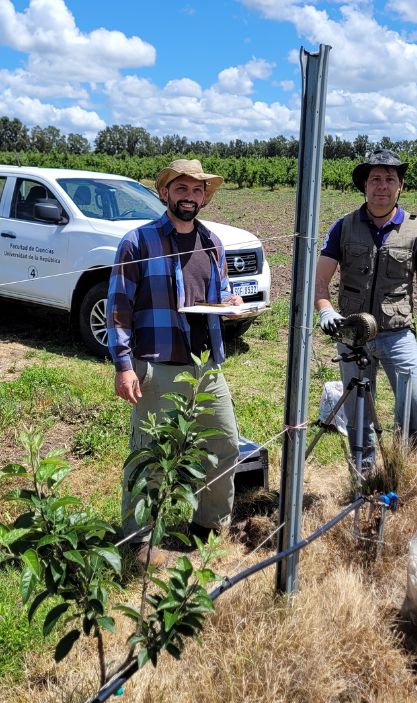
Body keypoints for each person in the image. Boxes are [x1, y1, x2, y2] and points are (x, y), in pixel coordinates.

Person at [107, 159, 244, 566]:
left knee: (224, 445)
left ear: (205, 197)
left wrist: (232, 303)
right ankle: (137, 540)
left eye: (197, 190)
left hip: (206, 366)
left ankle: (208, 527)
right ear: (165, 193)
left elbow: (218, 296)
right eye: (181, 189)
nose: (189, 196)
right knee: (149, 454)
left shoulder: (212, 243)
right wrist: (124, 365)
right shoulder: (138, 242)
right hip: (157, 365)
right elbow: (118, 308)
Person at [314, 150, 417, 468]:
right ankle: (363, 480)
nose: (382, 186)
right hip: (352, 334)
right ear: (365, 186)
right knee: (358, 415)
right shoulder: (343, 227)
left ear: (400, 187)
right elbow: (319, 280)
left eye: (390, 179)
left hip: (398, 335)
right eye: (375, 179)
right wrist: (326, 310)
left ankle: (415, 478)